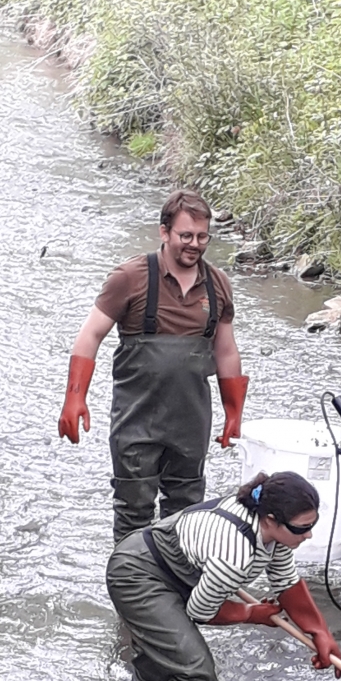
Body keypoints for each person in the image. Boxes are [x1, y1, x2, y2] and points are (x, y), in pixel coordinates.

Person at [105, 469, 341, 681]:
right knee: (194, 672)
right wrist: (251, 614)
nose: (308, 535)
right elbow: (201, 611)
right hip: (137, 574)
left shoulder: (273, 532)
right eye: (301, 528)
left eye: (312, 525)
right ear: (271, 520)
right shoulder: (236, 554)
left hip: (176, 567)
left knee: (162, 658)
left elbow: (286, 581)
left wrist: (319, 632)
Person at [58, 189, 249, 543]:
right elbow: (89, 336)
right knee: (133, 515)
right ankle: (130, 587)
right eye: (185, 236)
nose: (194, 244)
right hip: (136, 423)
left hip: (191, 423)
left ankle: (175, 591)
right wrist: (74, 398)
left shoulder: (218, 284)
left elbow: (226, 351)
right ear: (164, 232)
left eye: (202, 236)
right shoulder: (129, 277)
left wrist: (233, 411)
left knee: (187, 516)